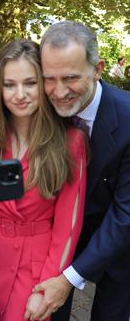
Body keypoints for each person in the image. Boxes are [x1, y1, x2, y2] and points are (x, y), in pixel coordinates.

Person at [0, 39, 87, 321]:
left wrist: (47, 288)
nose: (19, 94)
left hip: (35, 268)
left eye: (29, 83)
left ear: (43, 84)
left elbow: (68, 228)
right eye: (9, 84)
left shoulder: (69, 142)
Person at [31, 20, 130, 321]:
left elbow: (125, 214)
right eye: (50, 79)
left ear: (98, 69)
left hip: (119, 247)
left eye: (71, 78)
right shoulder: (40, 110)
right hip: (56, 248)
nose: (58, 92)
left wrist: (71, 278)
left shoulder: (128, 118)